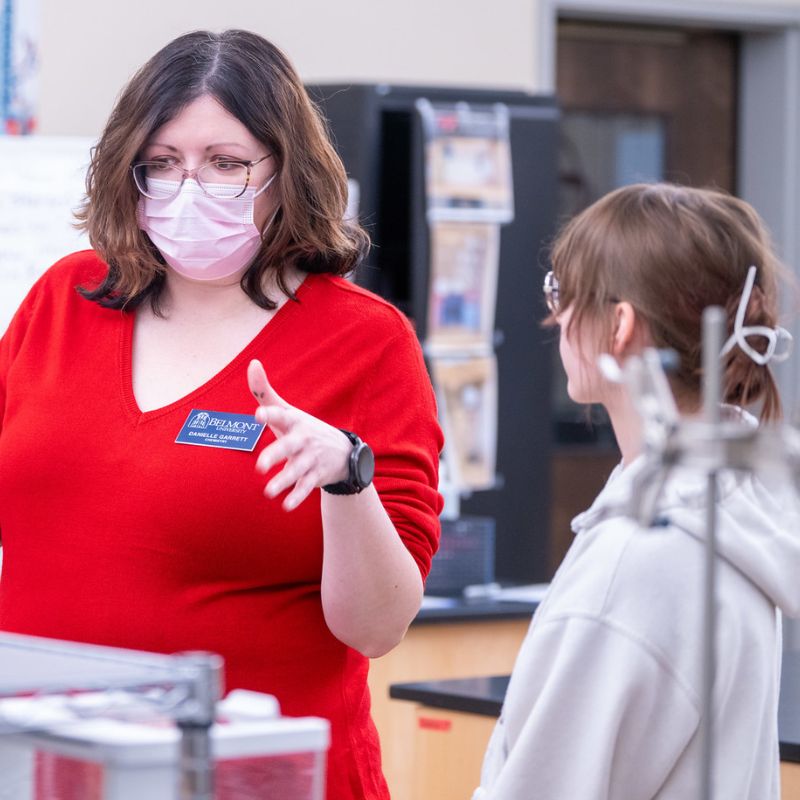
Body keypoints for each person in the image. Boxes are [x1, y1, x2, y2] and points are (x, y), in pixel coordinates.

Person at [0, 30, 443, 800]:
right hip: (52, 766)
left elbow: (378, 627)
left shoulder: (363, 341)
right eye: (162, 164)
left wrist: (347, 480)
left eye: (225, 164)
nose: (188, 189)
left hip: (256, 779)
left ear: (286, 171)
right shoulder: (65, 301)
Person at [474, 183, 799, 799]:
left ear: (620, 324)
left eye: (563, 293)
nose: (558, 317)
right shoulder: (734, 510)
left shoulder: (637, 562)